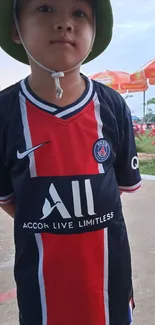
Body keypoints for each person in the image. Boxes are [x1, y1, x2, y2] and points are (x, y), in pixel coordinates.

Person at [0, 0, 141, 324]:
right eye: (46, 9)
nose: (65, 23)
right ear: (15, 29)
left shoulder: (113, 106)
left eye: (79, 13)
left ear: (94, 33)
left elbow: (115, 188)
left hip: (110, 291)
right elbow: (9, 199)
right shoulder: (5, 113)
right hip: (40, 296)